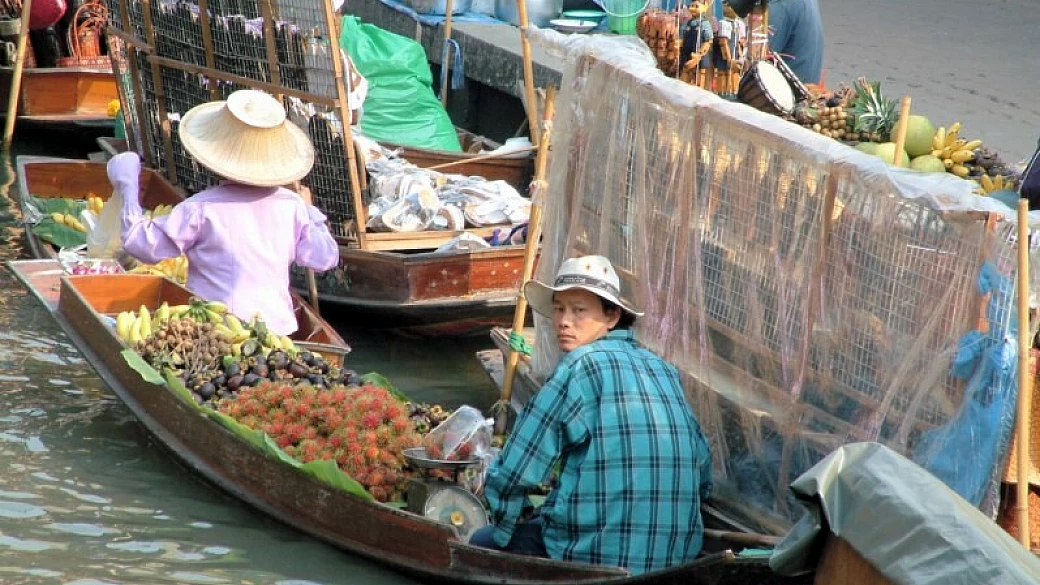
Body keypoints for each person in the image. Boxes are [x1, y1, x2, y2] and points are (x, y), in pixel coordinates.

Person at [470, 255, 713, 575]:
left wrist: (508, 522)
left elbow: (514, 472)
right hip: (675, 557)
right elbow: (702, 470)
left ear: (612, 316)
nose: (563, 321)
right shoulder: (664, 369)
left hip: (594, 556)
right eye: (559, 309)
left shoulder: (580, 366)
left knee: (481, 541)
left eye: (579, 310)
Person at [106, 89, 339, 336]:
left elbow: (140, 244)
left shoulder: (201, 208)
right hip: (279, 331)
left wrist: (128, 185)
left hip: (215, 331)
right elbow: (325, 258)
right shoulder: (292, 205)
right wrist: (310, 210)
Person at [728, 0, 823, 85]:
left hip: (790, 91)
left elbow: (757, 65)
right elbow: (737, 7)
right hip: (808, 81)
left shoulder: (780, 7)